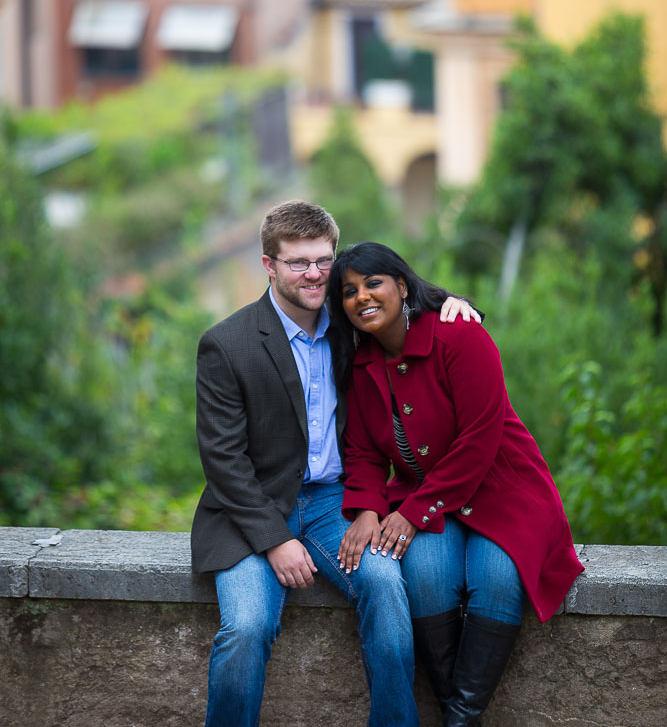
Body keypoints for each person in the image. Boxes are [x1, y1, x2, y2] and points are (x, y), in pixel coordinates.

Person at [191, 200, 479, 727]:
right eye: (298, 262)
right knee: (248, 626)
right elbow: (223, 460)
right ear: (269, 265)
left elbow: (402, 301)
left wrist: (452, 302)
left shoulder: (352, 324)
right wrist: (275, 540)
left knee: (387, 589)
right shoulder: (226, 345)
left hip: (334, 504)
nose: (314, 274)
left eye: (323, 260)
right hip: (250, 511)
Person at [328, 242, 584, 727]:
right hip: (430, 504)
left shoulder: (457, 334)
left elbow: (478, 440)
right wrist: (365, 508)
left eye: (373, 283)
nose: (362, 296)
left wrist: (407, 513)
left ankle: (458, 719)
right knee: (422, 577)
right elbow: (361, 452)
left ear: (402, 285)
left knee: (496, 579)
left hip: (502, 491)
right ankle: (458, 716)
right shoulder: (361, 366)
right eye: (349, 291)